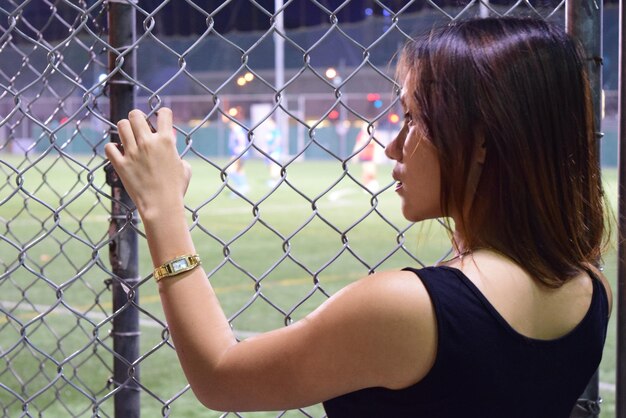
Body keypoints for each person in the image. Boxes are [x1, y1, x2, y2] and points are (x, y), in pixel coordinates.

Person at [104, 17, 612, 418]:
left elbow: (220, 375)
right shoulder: (590, 291)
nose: (394, 143)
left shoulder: (412, 308)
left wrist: (162, 207)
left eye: (414, 118)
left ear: (480, 142)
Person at [227, 119, 250, 194]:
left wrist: (238, 150)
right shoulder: (236, 130)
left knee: (231, 170)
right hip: (238, 153)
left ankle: (241, 186)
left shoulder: (237, 130)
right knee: (239, 170)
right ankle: (243, 186)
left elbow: (242, 141)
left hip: (238, 154)